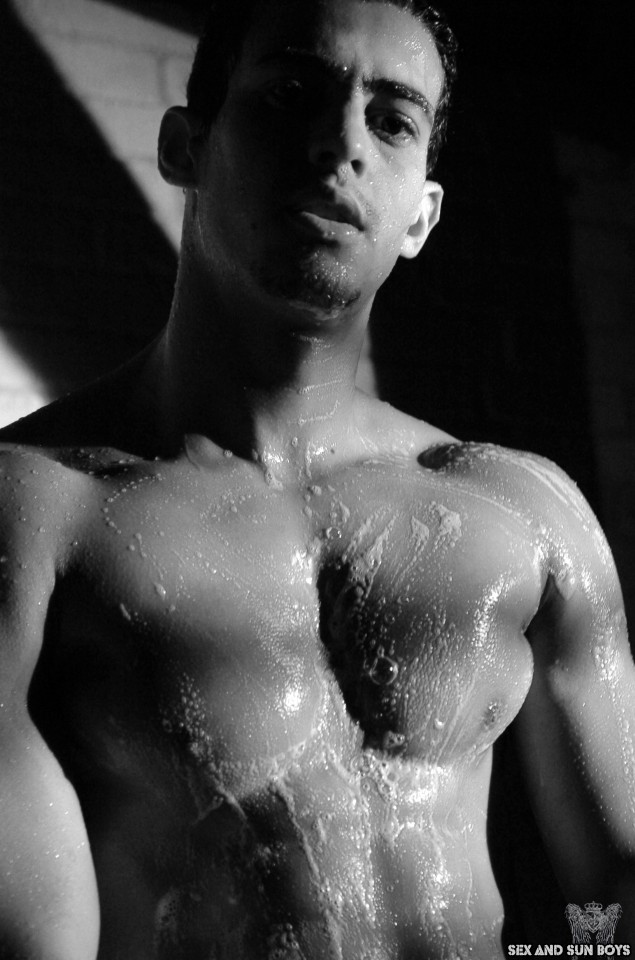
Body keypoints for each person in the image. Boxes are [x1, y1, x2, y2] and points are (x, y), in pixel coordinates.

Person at [0, 0, 634, 956]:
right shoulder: (37, 508)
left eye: (392, 119)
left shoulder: (525, 514)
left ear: (421, 216)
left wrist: (589, 953)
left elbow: (615, 885)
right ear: (185, 147)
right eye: (292, 92)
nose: (342, 143)